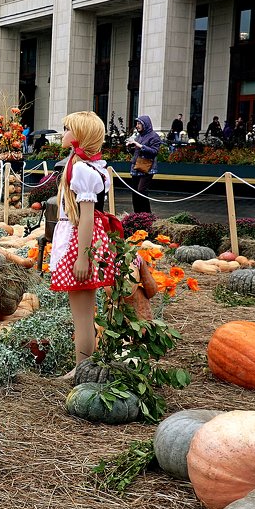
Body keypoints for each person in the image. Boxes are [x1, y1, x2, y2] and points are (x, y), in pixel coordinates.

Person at [49, 111, 116, 369]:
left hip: (80, 242)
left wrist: (82, 257)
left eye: (68, 129)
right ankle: (83, 367)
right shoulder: (82, 165)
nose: (63, 133)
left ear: (80, 136)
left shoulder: (81, 169)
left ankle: (82, 369)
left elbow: (87, 218)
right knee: (83, 314)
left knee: (83, 316)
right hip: (78, 239)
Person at [125, 115, 162, 214]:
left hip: (147, 168)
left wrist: (140, 146)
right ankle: (137, 216)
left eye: (139, 123)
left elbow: (154, 151)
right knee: (135, 193)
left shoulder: (154, 136)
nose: (137, 126)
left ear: (145, 124)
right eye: (136, 124)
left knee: (141, 191)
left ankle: (147, 215)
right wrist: (130, 147)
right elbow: (135, 152)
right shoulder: (138, 136)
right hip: (136, 167)